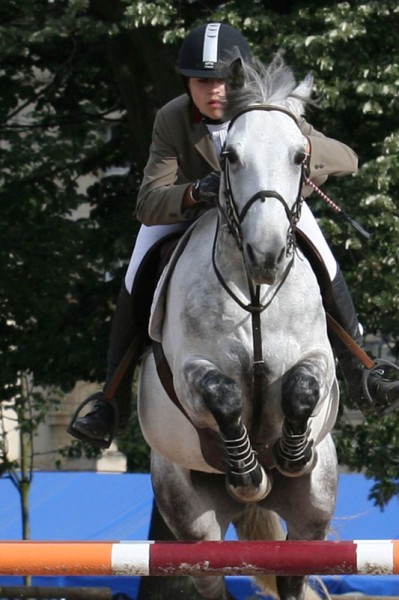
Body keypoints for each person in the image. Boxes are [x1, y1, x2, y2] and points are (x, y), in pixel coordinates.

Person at [68, 22, 399, 448]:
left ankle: (362, 375)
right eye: (202, 80)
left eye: (223, 80)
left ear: (238, 79)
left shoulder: (272, 113)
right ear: (187, 83)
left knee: (321, 253)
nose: (214, 91)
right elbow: (149, 201)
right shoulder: (172, 118)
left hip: (265, 212)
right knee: (138, 269)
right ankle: (109, 401)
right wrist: (193, 191)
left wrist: (298, 145)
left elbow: (348, 160)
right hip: (191, 215)